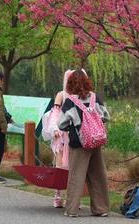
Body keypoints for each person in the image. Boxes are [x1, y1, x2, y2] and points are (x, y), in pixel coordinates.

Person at [58, 69, 110, 218]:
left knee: (76, 176)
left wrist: (74, 127)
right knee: (98, 175)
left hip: (78, 144)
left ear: (70, 84)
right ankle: (101, 208)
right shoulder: (95, 98)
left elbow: (61, 124)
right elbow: (106, 116)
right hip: (95, 141)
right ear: (87, 81)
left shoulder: (70, 102)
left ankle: (72, 210)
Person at [44, 69, 77, 207]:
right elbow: (55, 113)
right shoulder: (61, 95)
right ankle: (58, 196)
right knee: (60, 167)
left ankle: (72, 198)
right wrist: (55, 129)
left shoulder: (81, 96)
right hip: (61, 136)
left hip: (75, 136)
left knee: (74, 168)